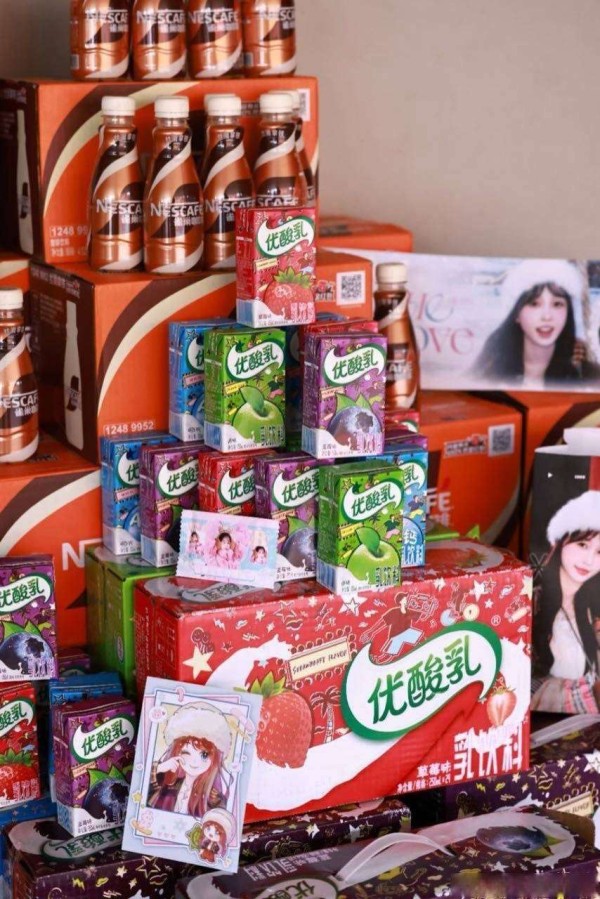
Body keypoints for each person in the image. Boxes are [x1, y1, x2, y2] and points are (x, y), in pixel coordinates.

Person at [473, 260, 599, 387]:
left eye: (557, 304)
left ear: (568, 312)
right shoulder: (486, 376)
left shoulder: (589, 378)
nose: (547, 316)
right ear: (516, 313)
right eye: (534, 304)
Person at [531, 491, 600, 714]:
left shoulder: (591, 606)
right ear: (561, 541)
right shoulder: (532, 601)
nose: (589, 560)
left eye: (599, 552)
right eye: (582, 545)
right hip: (543, 718)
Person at [148, 701, 232, 817]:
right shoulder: (168, 783)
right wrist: (160, 767)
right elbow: (142, 785)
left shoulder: (212, 797)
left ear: (215, 759)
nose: (194, 761)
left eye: (204, 755)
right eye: (186, 753)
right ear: (177, 752)